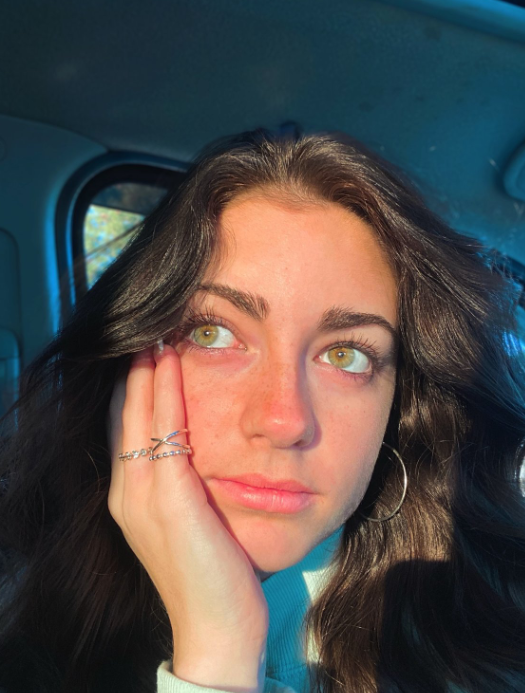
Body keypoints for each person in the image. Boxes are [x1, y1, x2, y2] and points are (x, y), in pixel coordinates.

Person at [0, 129, 524, 693]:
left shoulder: (492, 652)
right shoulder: (21, 606)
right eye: (212, 333)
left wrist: (217, 650)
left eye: (346, 356)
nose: (284, 421)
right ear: (129, 369)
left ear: (397, 404)